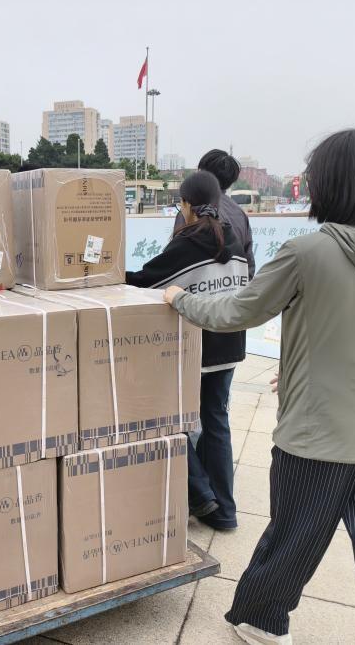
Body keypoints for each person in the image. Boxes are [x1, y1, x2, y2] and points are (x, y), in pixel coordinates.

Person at [162, 129, 355, 645]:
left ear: (328, 185)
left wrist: (179, 300)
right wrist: (311, 362)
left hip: (318, 437)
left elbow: (237, 311)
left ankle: (261, 621)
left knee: (292, 540)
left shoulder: (307, 251)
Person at [127, 171, 247, 530]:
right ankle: (225, 512)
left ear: (185, 204)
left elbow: (145, 281)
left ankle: (200, 494)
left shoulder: (188, 243)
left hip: (198, 348)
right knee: (216, 422)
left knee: (167, 417)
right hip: (230, 344)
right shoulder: (233, 238)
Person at [174, 149, 255, 278]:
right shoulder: (240, 214)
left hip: (196, 288)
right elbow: (248, 265)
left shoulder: (191, 209)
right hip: (234, 288)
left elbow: (175, 259)